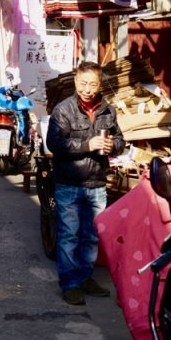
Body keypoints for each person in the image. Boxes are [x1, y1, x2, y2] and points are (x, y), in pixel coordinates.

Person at [46, 61, 125, 306]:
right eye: (83, 83)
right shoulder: (63, 110)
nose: (88, 89)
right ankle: (70, 283)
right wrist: (86, 145)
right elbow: (54, 144)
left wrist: (115, 146)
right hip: (69, 181)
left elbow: (121, 139)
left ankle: (85, 277)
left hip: (97, 183)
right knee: (69, 234)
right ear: (76, 83)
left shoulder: (108, 111)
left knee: (91, 235)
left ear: (100, 85)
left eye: (93, 84)